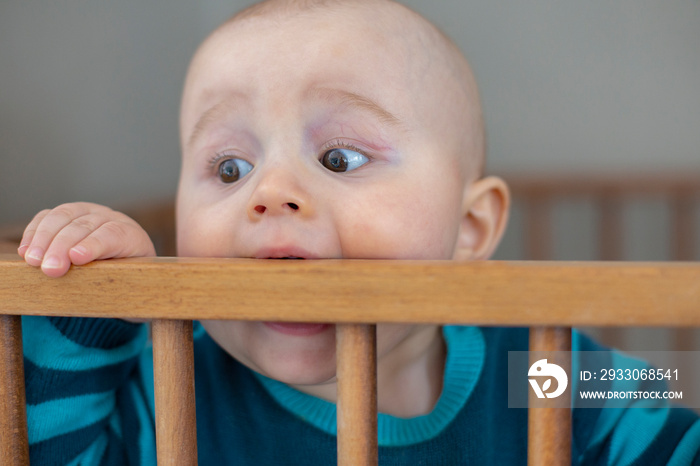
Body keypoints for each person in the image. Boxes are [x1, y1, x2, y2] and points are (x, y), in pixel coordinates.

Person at [16, 0, 700, 464]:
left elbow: (668, 404)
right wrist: (93, 312)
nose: (270, 193)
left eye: (339, 158)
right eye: (229, 167)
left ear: (469, 227)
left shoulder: (539, 371)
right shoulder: (174, 381)